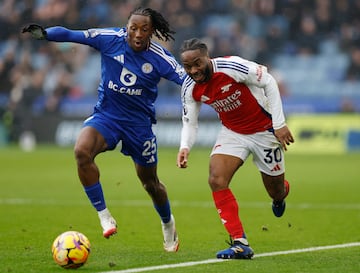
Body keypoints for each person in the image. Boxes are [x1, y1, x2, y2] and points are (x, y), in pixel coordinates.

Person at [22, 7, 186, 252]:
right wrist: (45, 33)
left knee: (150, 183)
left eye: (144, 29)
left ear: (152, 32)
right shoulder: (110, 39)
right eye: (133, 28)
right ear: (126, 28)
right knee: (81, 152)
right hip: (107, 116)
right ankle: (104, 215)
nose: (138, 34)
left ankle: (167, 222)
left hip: (138, 125)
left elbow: (189, 81)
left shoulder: (160, 58)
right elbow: (71, 34)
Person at [177, 38, 294, 259]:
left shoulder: (232, 67)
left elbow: (268, 81)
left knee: (274, 190)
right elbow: (189, 121)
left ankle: (281, 194)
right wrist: (185, 146)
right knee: (216, 179)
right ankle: (240, 243)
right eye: (187, 66)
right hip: (233, 133)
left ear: (207, 58)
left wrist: (279, 124)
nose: (193, 70)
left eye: (197, 63)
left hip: (264, 131)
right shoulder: (189, 87)